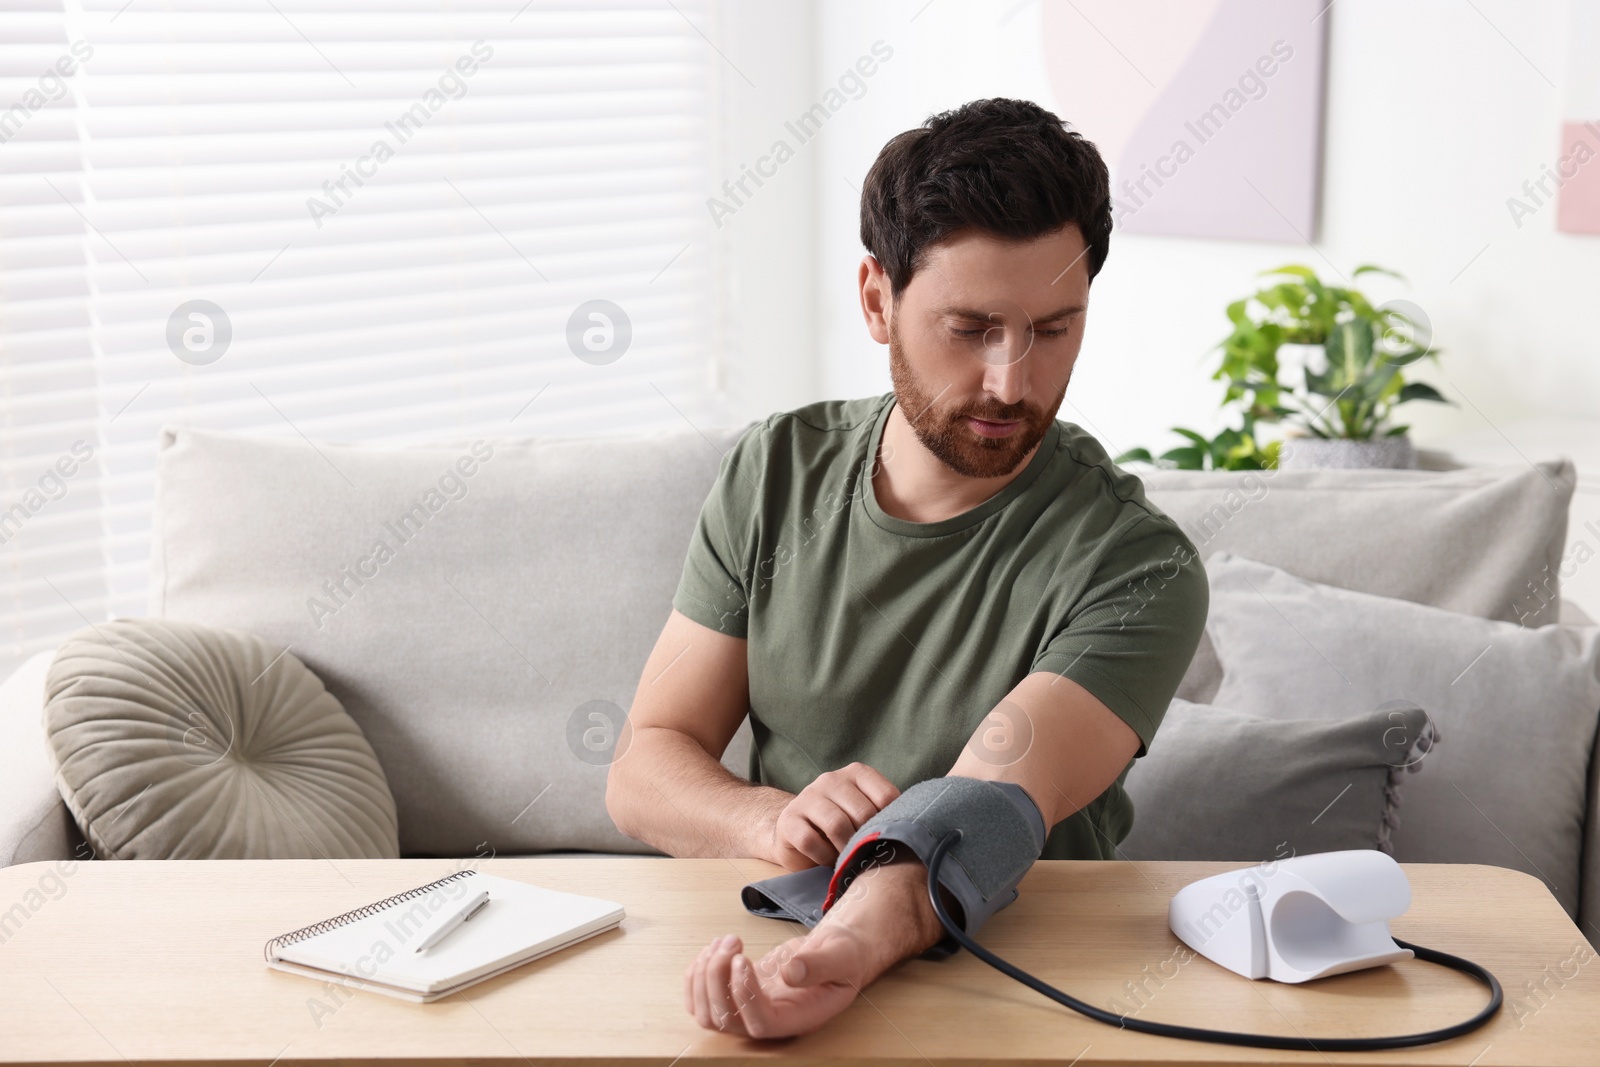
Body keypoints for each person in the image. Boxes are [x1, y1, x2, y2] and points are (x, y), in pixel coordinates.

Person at [604, 96, 1208, 1038]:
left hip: (1027, 990)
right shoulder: (774, 473)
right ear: (878, 301)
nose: (1013, 381)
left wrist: (838, 949)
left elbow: (981, 810)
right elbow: (646, 765)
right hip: (777, 956)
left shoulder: (1136, 564)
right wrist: (771, 823)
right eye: (972, 328)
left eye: (1054, 329)